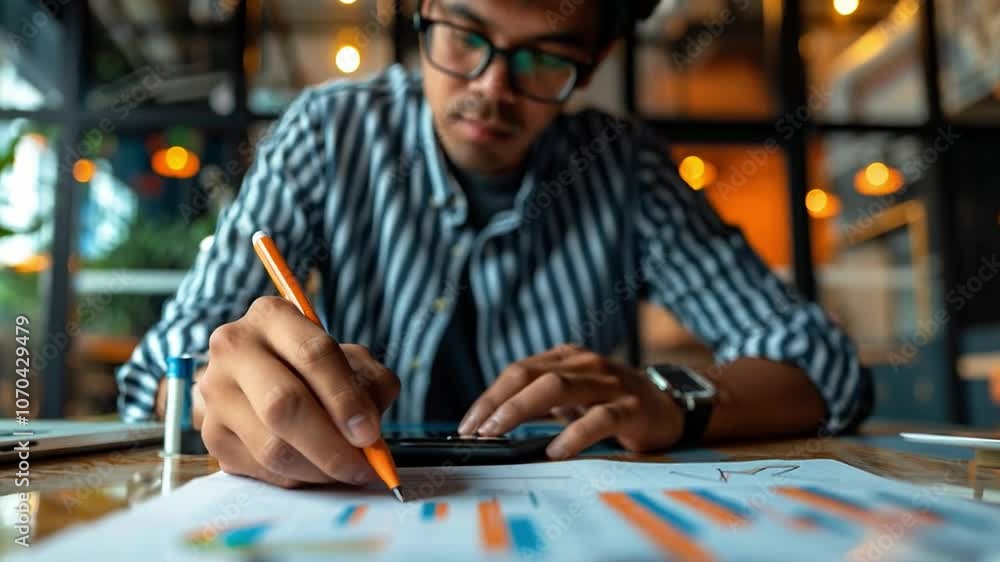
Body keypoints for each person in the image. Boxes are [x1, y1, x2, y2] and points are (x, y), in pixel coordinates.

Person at [117, 0, 872, 489]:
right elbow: (163, 367)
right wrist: (238, 393)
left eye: (543, 57)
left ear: (594, 63)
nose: (492, 88)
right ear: (423, 17)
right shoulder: (331, 132)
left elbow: (822, 365)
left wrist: (674, 398)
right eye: (466, 35)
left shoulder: (622, 167)